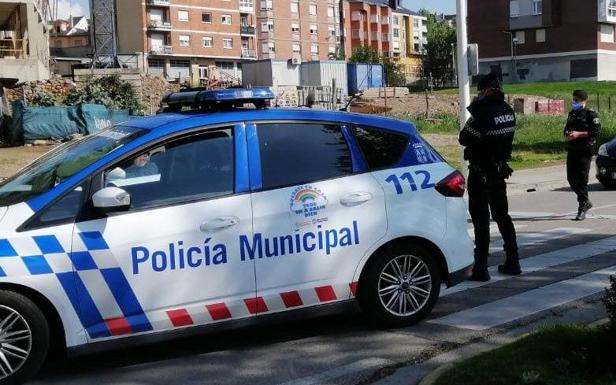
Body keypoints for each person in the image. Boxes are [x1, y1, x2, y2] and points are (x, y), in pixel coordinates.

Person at [459, 73, 521, 282]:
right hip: (498, 171)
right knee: (503, 216)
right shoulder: (508, 111)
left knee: (481, 221)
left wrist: (475, 110)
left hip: (480, 173)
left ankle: (481, 268)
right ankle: (513, 261)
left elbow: (464, 138)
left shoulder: (481, 113)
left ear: (485, 90)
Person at [564, 90, 601, 221]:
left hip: (585, 151)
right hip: (573, 149)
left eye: (577, 100)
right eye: (573, 100)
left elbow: (595, 132)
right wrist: (568, 135)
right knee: (571, 179)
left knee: (582, 179)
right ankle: (586, 201)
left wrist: (579, 134)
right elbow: (566, 129)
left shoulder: (591, 114)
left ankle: (582, 206)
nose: (574, 102)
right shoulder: (572, 114)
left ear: (584, 100)